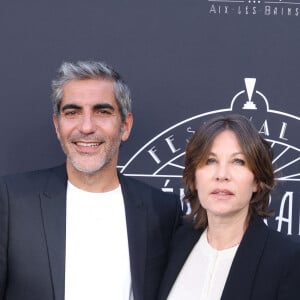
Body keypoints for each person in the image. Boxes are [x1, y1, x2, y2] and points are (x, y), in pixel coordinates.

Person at [0, 60, 181, 300]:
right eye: (72, 113)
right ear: (57, 125)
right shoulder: (12, 200)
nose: (86, 127)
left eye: (102, 112)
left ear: (125, 126)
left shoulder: (162, 210)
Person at [158, 114, 300, 300]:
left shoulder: (287, 258)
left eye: (238, 162)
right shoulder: (172, 243)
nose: (222, 175)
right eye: (210, 161)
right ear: (194, 178)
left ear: (256, 180)